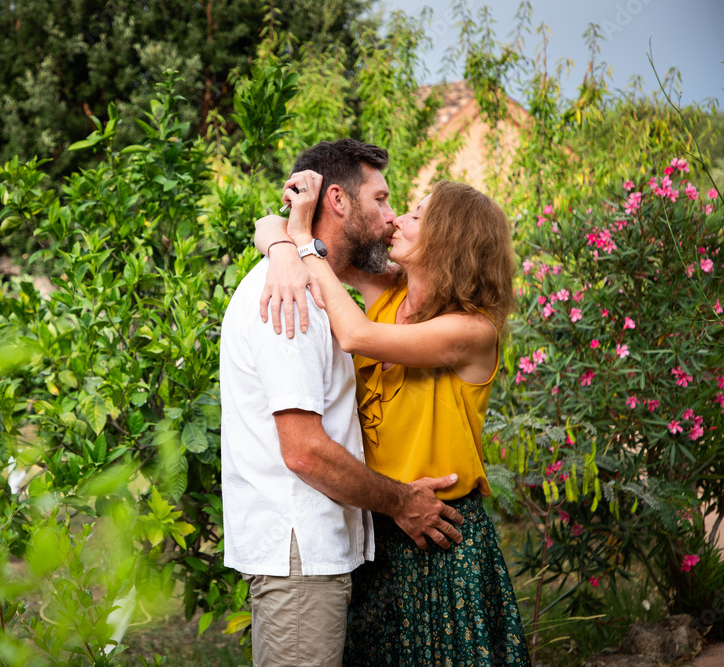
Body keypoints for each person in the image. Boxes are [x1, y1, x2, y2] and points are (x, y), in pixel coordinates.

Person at [254, 172, 531, 665]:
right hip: (380, 525)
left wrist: (301, 246)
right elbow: (269, 224)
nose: (397, 218)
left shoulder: (472, 330)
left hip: (442, 536)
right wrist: (283, 246)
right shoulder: (389, 293)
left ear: (450, 241)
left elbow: (356, 335)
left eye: (417, 215)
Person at [220, 139, 467, 667]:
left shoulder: (309, 281)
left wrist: (285, 240)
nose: (390, 214)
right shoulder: (288, 297)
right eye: (380, 199)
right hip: (301, 556)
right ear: (337, 200)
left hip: (315, 555)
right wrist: (402, 502)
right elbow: (304, 452)